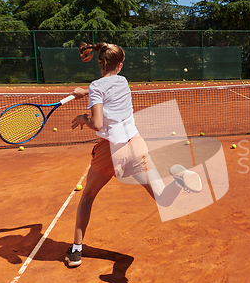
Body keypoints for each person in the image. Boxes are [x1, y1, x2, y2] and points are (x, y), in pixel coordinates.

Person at [65, 42, 202, 268]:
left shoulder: (97, 87)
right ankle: (179, 181)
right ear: (119, 65)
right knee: (163, 199)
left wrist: (83, 118)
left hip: (110, 150)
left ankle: (76, 252)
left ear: (100, 63)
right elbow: (107, 86)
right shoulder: (123, 81)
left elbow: (98, 123)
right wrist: (86, 91)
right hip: (136, 144)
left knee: (88, 196)